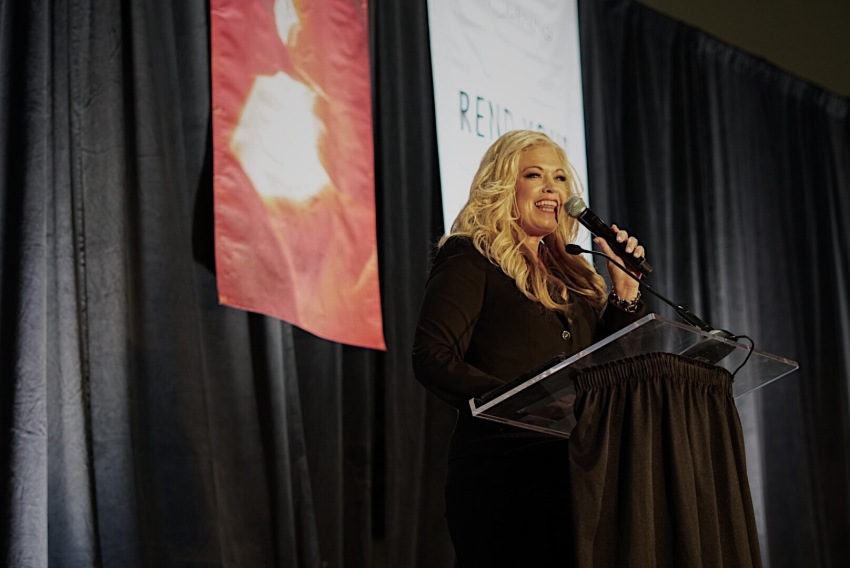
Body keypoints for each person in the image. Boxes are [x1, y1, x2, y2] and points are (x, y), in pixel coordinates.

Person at [412, 130, 647, 566]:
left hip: (579, 474)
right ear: (504, 185)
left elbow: (605, 368)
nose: (551, 189)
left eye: (559, 178)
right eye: (535, 175)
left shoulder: (576, 277)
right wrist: (523, 402)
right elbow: (433, 357)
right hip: (503, 475)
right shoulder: (470, 256)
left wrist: (626, 294)